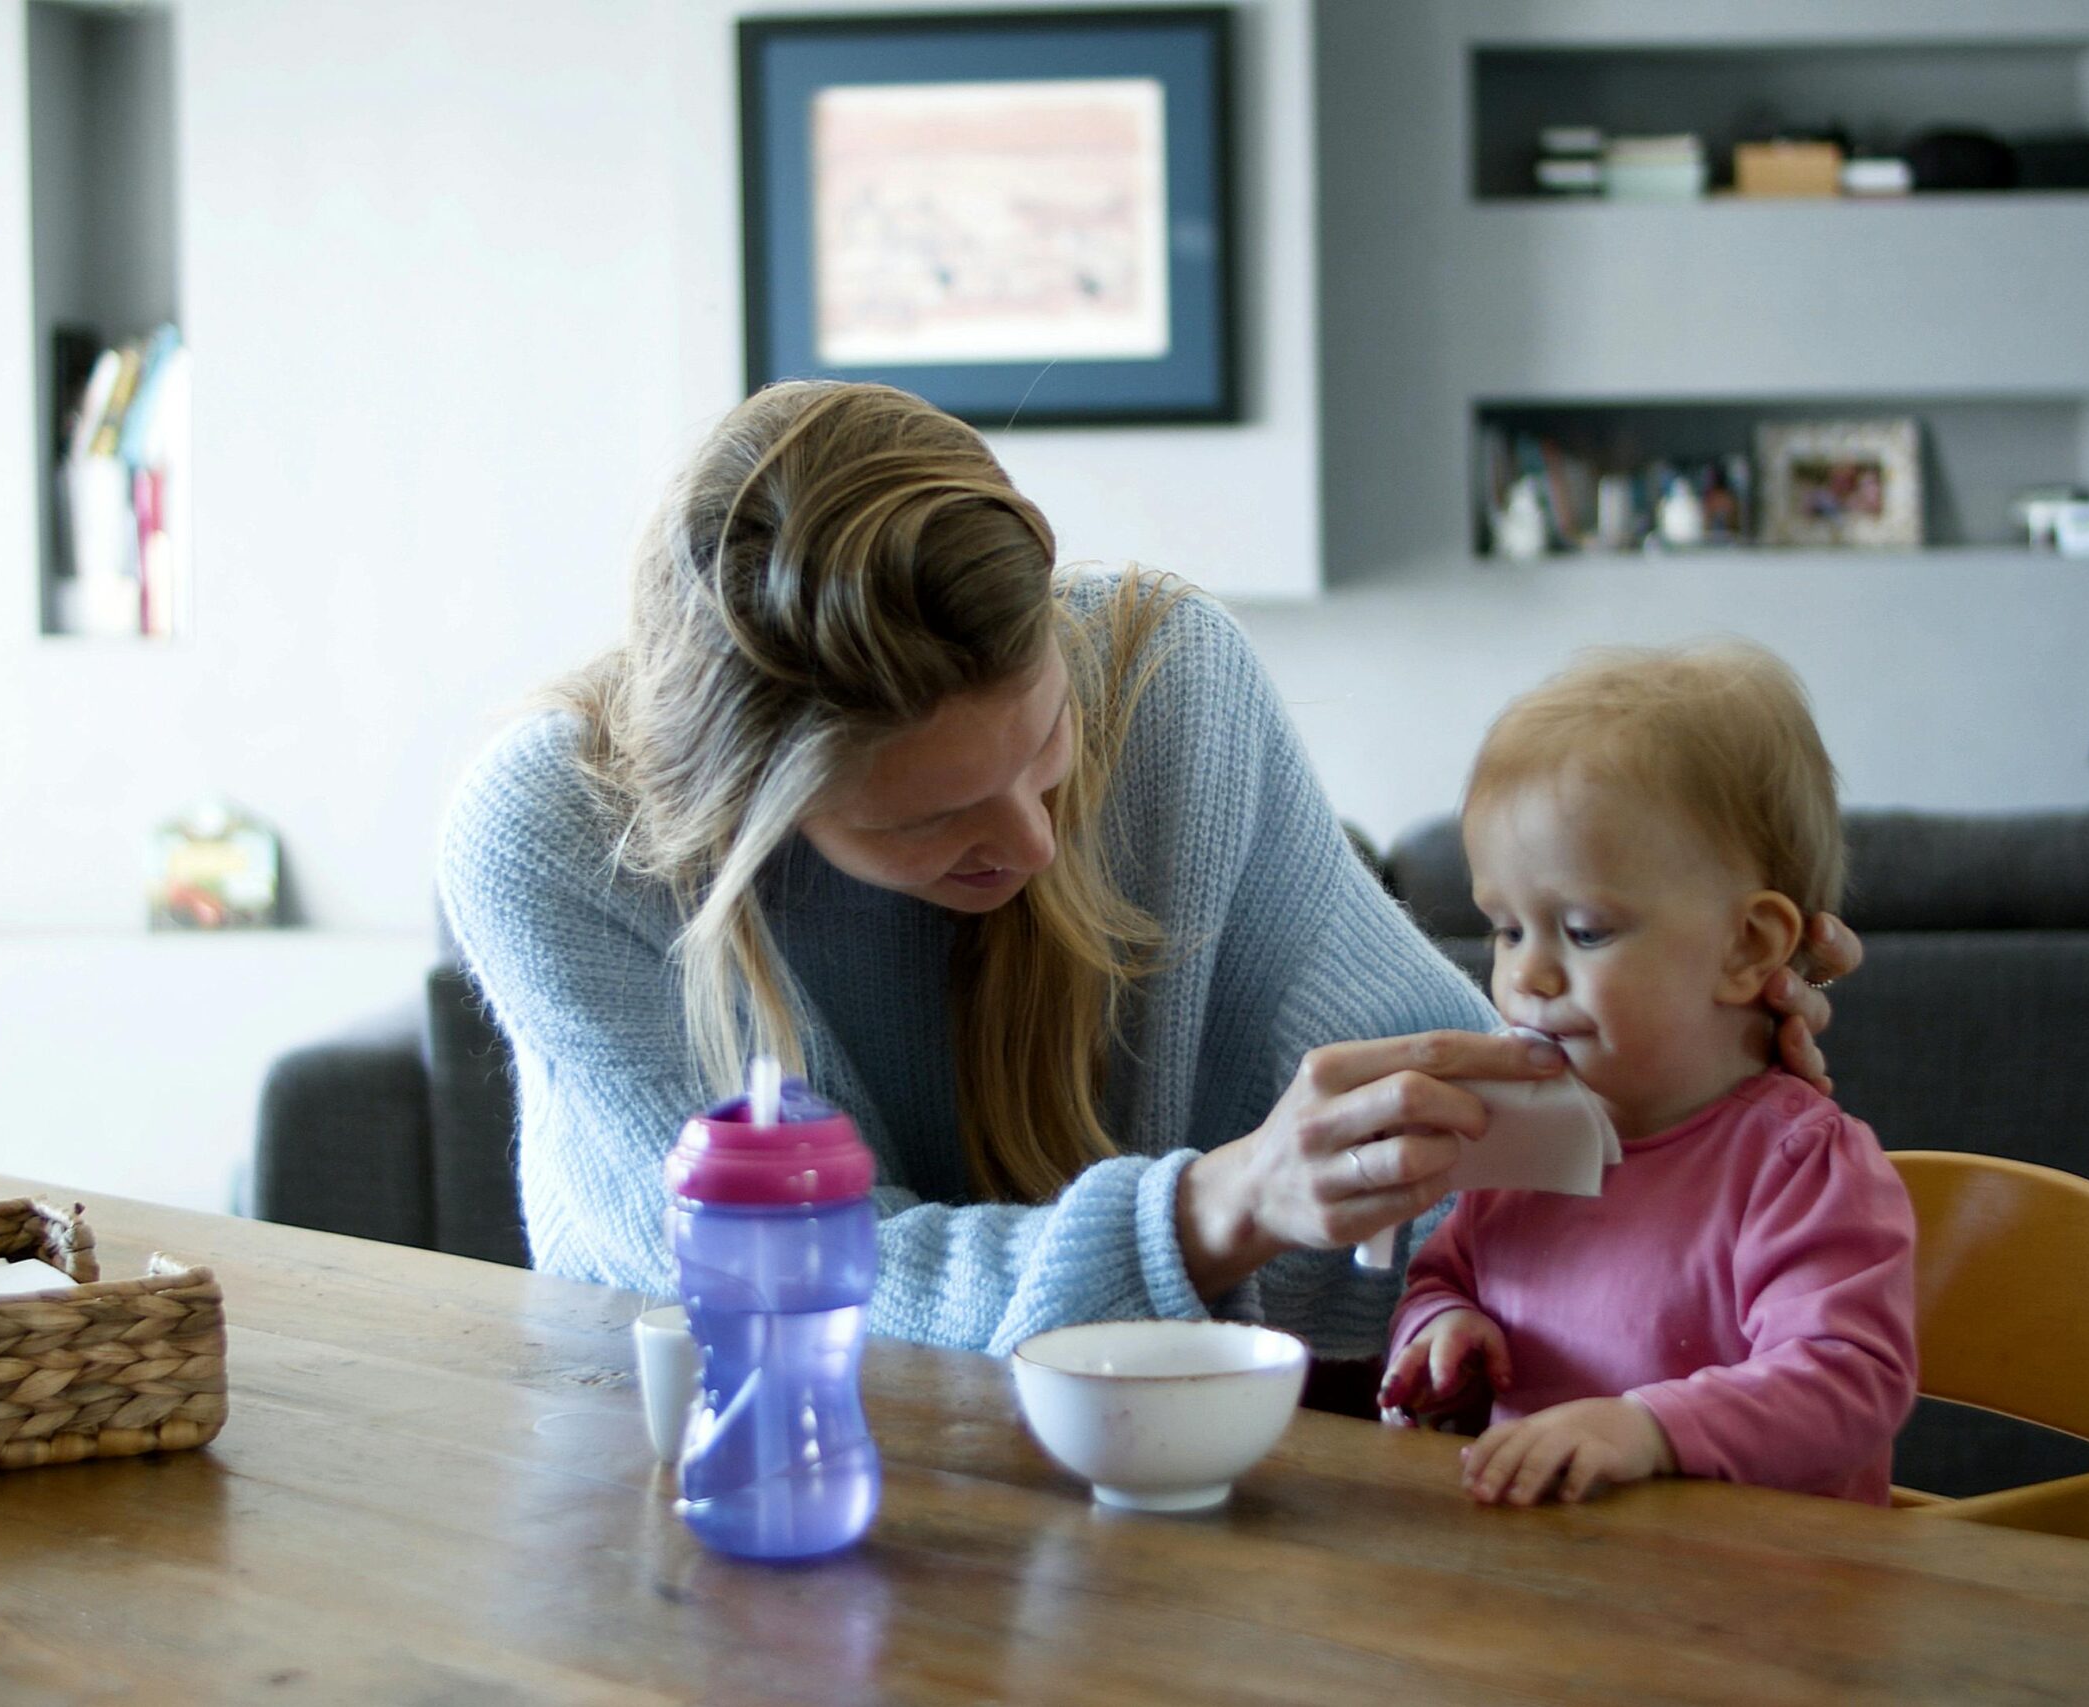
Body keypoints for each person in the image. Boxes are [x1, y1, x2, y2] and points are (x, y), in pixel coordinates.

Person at [439, 379, 1860, 1361]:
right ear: (746, 801)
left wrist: (1681, 1069)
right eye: (928, 823)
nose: (1035, 842)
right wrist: (1207, 1210)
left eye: (1044, 747)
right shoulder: (557, 837)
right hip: (725, 1500)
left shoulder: (1159, 679)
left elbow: (1464, 1164)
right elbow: (792, 1290)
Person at [1378, 642, 1916, 1505]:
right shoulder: (1520, 1142)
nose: (1529, 979)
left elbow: (1850, 1380)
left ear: (1747, 947)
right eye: (1507, 930)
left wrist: (1646, 1427)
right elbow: (1443, 1273)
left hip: (1757, 1611)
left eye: (1585, 931)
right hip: (1548, 1597)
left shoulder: (1799, 1165)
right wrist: (1444, 1329)